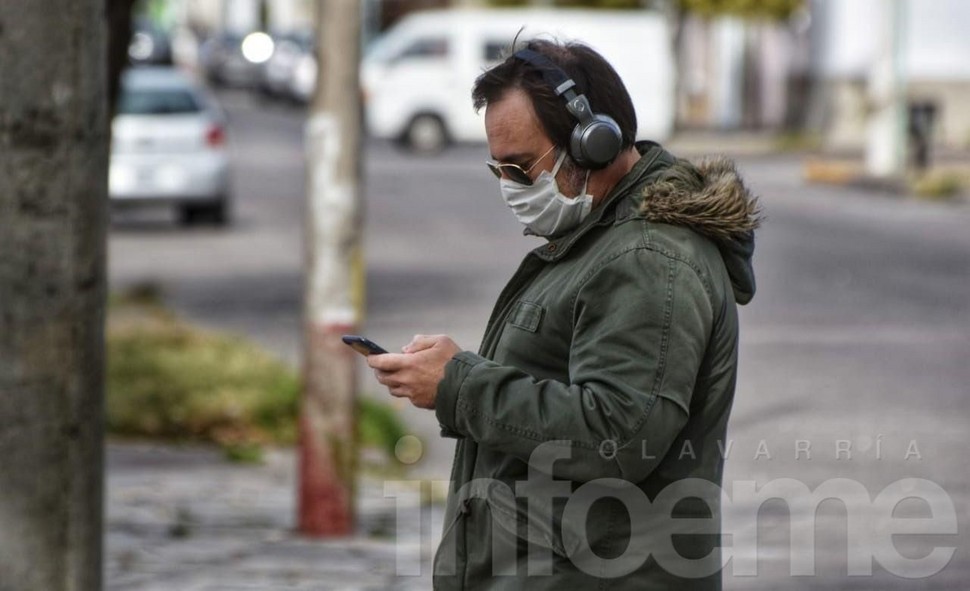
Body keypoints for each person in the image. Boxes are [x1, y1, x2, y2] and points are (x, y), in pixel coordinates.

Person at [368, 38, 761, 590]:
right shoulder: (597, 239)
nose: (511, 186)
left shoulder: (648, 259)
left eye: (522, 166)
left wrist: (460, 385)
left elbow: (618, 436)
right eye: (499, 168)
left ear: (594, 143)